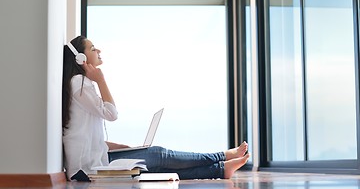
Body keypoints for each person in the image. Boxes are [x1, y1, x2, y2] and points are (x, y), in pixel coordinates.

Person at [62, 35, 250, 181]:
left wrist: (118, 147)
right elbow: (111, 114)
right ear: (80, 58)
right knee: (159, 154)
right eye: (93, 48)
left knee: (158, 166)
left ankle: (220, 170)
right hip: (87, 169)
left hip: (95, 161)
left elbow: (84, 134)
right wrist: (101, 80)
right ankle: (222, 156)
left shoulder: (81, 84)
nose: (99, 50)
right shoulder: (79, 82)